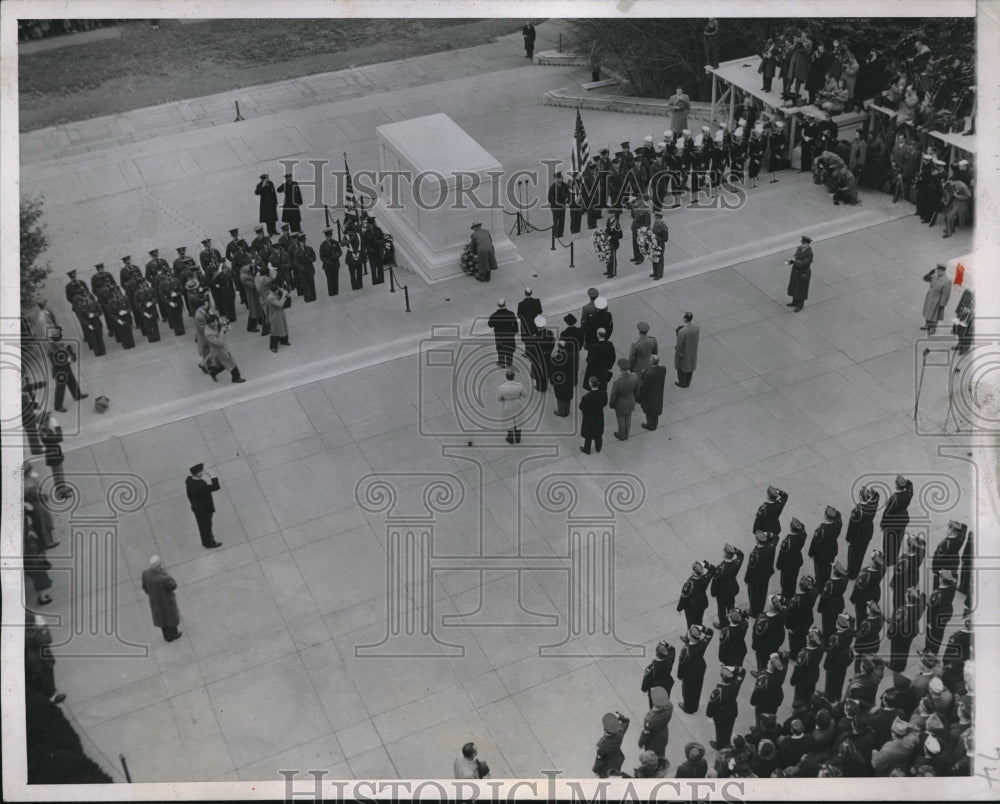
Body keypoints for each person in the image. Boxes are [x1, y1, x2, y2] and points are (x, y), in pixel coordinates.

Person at [25, 615, 66, 704]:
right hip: (37, 657)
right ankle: (51, 695)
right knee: (44, 675)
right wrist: (41, 629)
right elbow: (45, 638)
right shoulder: (31, 633)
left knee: (44, 674)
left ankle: (50, 693)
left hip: (36, 656)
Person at [140, 556, 182, 642]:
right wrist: (164, 573)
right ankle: (173, 635)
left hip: (155, 601)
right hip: (166, 602)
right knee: (170, 618)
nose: (161, 567)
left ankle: (166, 636)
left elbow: (144, 587)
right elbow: (173, 585)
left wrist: (151, 594)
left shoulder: (145, 573)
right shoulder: (163, 579)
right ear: (157, 567)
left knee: (162, 619)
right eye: (160, 565)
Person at [45, 329, 87, 412]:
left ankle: (77, 395)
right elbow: (55, 362)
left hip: (66, 368)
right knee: (60, 388)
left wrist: (72, 355)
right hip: (59, 371)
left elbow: (71, 356)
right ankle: (58, 406)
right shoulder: (51, 349)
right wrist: (68, 360)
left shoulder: (62, 345)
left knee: (72, 382)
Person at [706, 665, 745, 750]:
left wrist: (709, 715)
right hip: (732, 712)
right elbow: (743, 672)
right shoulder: (735, 685)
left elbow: (711, 706)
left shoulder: (717, 692)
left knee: (720, 733)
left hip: (721, 717)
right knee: (728, 730)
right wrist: (735, 668)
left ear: (722, 677)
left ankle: (720, 746)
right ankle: (727, 742)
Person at [845, 485, 879, 579]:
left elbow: (852, 526)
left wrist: (848, 538)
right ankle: (856, 570)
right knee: (861, 554)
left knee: (853, 555)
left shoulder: (858, 511)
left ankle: (851, 574)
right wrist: (870, 493)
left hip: (858, 535)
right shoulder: (874, 504)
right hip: (868, 532)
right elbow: (876, 495)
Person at [678, 624, 713, 714]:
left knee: (687, 692)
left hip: (689, 674)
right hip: (700, 669)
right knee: (697, 689)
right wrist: (701, 628)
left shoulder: (686, 650)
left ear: (690, 636)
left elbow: (682, 665)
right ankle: (695, 706)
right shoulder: (702, 643)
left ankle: (688, 708)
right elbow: (710, 633)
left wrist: (680, 675)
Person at [185, 463, 221, 549]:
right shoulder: (201, 486)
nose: (202, 473)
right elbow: (216, 487)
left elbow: (189, 495)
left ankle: (206, 541)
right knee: (207, 526)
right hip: (205, 509)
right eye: (201, 471)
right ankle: (209, 543)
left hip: (196, 508)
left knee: (202, 526)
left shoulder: (189, 480)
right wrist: (212, 475)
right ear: (198, 474)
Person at [880, 474, 913, 565]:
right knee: (898, 541)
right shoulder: (908, 494)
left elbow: (887, 512)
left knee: (888, 543)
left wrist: (883, 524)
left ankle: (887, 560)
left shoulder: (895, 497)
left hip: (892, 523)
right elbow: (911, 487)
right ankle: (893, 559)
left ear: (896, 485)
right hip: (902, 521)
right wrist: (906, 482)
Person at [745, 530, 779, 618]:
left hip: (755, 579)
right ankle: (760, 610)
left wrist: (747, 579)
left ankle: (753, 612)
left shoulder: (755, 554)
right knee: (762, 593)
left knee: (753, 595)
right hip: (766, 575)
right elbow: (776, 537)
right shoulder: (771, 547)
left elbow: (750, 569)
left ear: (757, 540)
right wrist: (766, 534)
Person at [204, 315, 246, 384]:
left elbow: (220, 329)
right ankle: (236, 377)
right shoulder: (209, 333)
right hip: (219, 350)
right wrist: (222, 331)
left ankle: (214, 372)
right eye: (215, 322)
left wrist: (225, 327)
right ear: (211, 323)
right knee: (231, 363)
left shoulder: (211, 327)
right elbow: (219, 342)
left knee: (224, 364)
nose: (216, 323)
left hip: (221, 349)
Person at [710, 543, 744, 623]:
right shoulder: (736, 563)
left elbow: (715, 582)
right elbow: (741, 555)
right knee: (731, 607)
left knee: (721, 609)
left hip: (721, 592)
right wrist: (735, 549)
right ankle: (731, 620)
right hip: (732, 589)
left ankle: (722, 624)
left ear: (724, 554)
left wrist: (713, 593)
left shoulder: (720, 568)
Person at [850, 550, 885, 625]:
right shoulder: (882, 569)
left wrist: (853, 598)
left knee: (860, 613)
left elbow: (858, 588)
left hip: (862, 597)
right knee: (872, 608)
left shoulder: (865, 575)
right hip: (875, 592)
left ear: (872, 561)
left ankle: (860, 627)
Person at [637, 686, 673, 758]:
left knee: (652, 757)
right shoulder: (669, 706)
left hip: (653, 742)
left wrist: (640, 743)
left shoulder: (650, 721)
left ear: (653, 701)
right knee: (661, 754)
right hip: (663, 736)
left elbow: (646, 734)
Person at [608, 358, 638, 440]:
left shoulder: (617, 382)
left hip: (620, 404)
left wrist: (611, 404)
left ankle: (621, 435)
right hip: (631, 400)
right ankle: (627, 434)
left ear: (621, 369)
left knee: (621, 419)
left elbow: (613, 396)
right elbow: (636, 390)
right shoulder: (634, 376)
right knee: (628, 417)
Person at [592, 712, 629, 778]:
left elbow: (600, 760)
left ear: (605, 729)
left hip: (606, 767)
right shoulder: (619, 733)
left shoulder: (601, 745)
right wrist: (619, 716)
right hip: (617, 760)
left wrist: (595, 770)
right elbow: (626, 721)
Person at [641, 640, 676, 705]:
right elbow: (672, 652)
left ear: (656, 652)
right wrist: (667, 646)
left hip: (655, 691)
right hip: (666, 687)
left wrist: (644, 688)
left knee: (654, 707)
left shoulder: (651, 668)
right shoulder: (669, 662)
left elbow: (645, 685)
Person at [677, 561, 711, 627]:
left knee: (690, 624)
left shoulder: (689, 584)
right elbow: (712, 569)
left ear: (693, 572)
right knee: (699, 620)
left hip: (692, 607)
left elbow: (684, 598)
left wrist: (679, 608)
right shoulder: (705, 578)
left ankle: (691, 636)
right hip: (702, 603)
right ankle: (697, 630)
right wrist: (705, 564)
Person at [637, 354, 666, 431]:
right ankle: (655, 424)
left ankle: (650, 425)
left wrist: (644, 373)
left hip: (650, 396)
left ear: (651, 362)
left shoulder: (648, 374)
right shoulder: (663, 369)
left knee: (649, 411)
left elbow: (644, 387)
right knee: (656, 410)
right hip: (658, 393)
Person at [578, 376, 607, 455]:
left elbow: (581, 407)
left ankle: (587, 449)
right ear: (598, 383)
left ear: (590, 384)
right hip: (599, 416)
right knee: (598, 433)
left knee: (588, 434)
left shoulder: (586, 397)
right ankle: (598, 447)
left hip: (589, 418)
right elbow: (604, 403)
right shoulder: (604, 393)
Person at [498, 368, 526, 445]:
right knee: (518, 420)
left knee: (509, 421)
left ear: (506, 377)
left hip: (507, 405)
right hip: (517, 404)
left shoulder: (502, 387)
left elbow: (499, 398)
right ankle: (518, 439)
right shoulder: (519, 386)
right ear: (514, 376)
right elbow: (524, 394)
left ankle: (510, 439)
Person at [921, 264, 952, 334]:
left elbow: (946, 294)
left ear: (944, 271)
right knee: (928, 312)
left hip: (937, 300)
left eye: (940, 270)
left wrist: (942, 304)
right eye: (937, 269)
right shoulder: (934, 276)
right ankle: (927, 325)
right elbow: (925, 279)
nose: (938, 271)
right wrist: (929, 274)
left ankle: (933, 329)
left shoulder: (947, 281)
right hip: (930, 297)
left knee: (935, 315)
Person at [786, 235, 813, 312]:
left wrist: (794, 261)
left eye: (804, 243)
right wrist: (791, 261)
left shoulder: (809, 253)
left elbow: (804, 264)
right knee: (795, 287)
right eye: (802, 243)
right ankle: (794, 302)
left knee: (801, 289)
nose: (802, 244)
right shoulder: (799, 249)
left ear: (808, 244)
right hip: (796, 271)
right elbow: (795, 257)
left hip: (803, 273)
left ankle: (800, 305)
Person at [487, 298, 518, 368]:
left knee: (500, 349)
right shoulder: (511, 314)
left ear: (498, 305)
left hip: (499, 337)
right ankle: (509, 362)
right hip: (509, 336)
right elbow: (515, 325)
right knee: (510, 349)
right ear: (505, 304)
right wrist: (513, 332)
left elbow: (490, 324)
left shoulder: (494, 315)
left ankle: (501, 362)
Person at [583, 327, 615, 392]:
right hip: (604, 371)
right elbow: (613, 357)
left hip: (595, 372)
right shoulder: (609, 344)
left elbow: (589, 361)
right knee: (603, 387)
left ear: (598, 335)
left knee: (594, 389)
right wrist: (609, 366)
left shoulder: (594, 347)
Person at [549, 341, 576, 417]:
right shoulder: (572, 355)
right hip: (569, 380)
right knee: (568, 396)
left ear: (559, 347)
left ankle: (561, 412)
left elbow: (553, 371)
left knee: (560, 397)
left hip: (560, 381)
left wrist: (552, 380)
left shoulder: (556, 358)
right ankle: (567, 411)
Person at [673, 312, 699, 388]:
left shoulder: (682, 332)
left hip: (684, 352)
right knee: (690, 366)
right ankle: (688, 382)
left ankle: (682, 383)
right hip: (693, 351)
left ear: (685, 319)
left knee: (681, 368)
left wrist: (678, 354)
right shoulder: (696, 327)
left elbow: (679, 345)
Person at [266, 279, 291, 353]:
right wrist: (283, 296)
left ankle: (284, 340)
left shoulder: (275, 292)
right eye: (277, 290)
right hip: (275, 314)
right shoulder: (270, 297)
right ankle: (273, 346)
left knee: (283, 327)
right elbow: (280, 304)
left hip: (280, 312)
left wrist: (286, 292)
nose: (278, 291)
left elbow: (282, 292)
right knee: (275, 330)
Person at [516, 287, 542, 352]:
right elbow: (540, 311)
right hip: (534, 323)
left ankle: (527, 352)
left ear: (525, 293)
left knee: (527, 340)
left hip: (525, 324)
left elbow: (519, 315)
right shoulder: (537, 301)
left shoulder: (521, 304)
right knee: (535, 337)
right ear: (531, 293)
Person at [319, 228, 342, 296]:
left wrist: (335, 255)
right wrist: (328, 261)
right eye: (327, 236)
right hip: (328, 266)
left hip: (335, 264)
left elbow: (340, 252)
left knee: (335, 279)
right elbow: (322, 256)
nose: (328, 238)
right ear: (325, 236)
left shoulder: (335, 242)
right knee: (329, 280)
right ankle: (331, 293)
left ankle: (336, 292)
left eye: (329, 236)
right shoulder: (323, 245)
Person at [629, 195, 651, 265]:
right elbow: (633, 216)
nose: (638, 201)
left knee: (640, 244)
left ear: (643, 200)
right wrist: (632, 207)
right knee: (634, 243)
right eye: (637, 200)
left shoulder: (646, 208)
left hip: (641, 229)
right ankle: (636, 256)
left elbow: (648, 222)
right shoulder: (637, 206)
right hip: (635, 228)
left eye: (640, 200)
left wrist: (644, 230)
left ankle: (640, 258)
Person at [547, 172, 569, 239]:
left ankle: (561, 234)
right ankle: (556, 235)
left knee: (562, 221)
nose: (560, 179)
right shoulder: (552, 187)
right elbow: (549, 198)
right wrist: (556, 203)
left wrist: (566, 199)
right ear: (556, 179)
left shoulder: (564, 185)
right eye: (558, 178)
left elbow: (568, 193)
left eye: (561, 178)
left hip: (562, 207)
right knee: (556, 221)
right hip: (555, 208)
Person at [602, 212, 623, 278]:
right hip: (608, 242)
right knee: (608, 257)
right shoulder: (608, 220)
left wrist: (612, 237)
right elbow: (607, 229)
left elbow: (620, 235)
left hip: (613, 243)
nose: (609, 214)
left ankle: (613, 272)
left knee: (612, 258)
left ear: (613, 214)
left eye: (610, 213)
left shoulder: (616, 224)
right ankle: (609, 270)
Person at [650, 212, 668, 279]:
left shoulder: (664, 227)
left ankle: (659, 274)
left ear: (660, 219)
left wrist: (656, 238)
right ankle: (655, 272)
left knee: (659, 259)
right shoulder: (655, 224)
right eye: (655, 218)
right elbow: (653, 231)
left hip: (660, 245)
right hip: (654, 244)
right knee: (654, 258)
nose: (655, 219)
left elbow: (665, 239)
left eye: (656, 218)